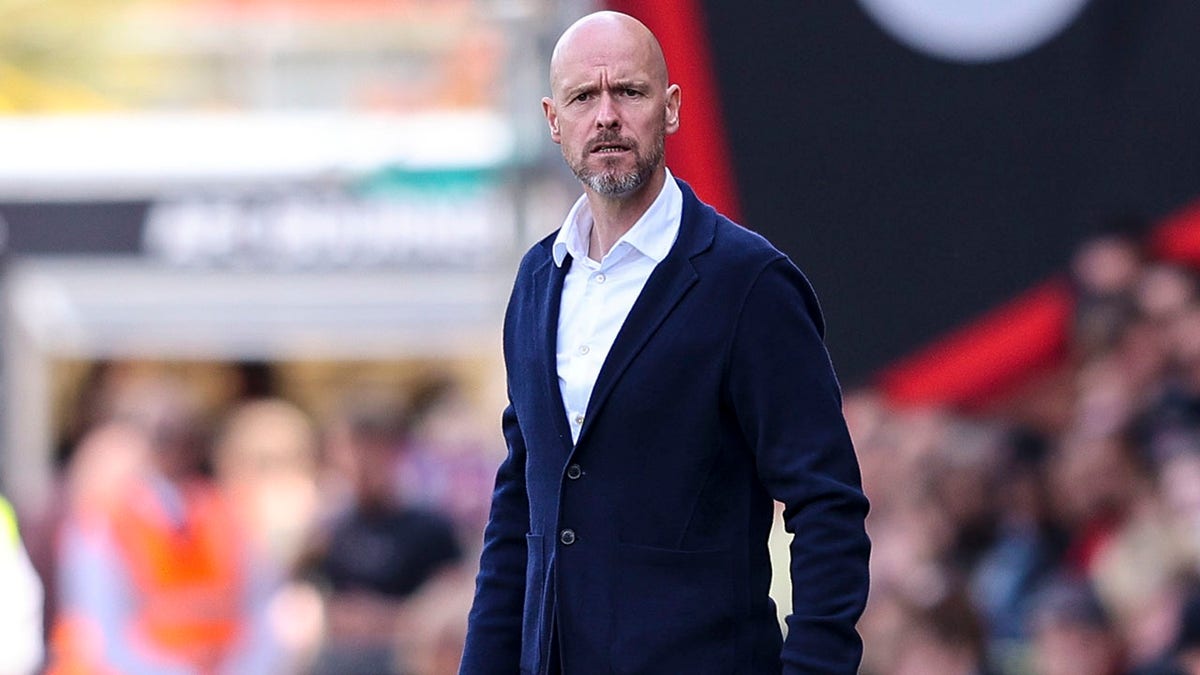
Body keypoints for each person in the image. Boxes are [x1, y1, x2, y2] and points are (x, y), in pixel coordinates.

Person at [460, 11, 870, 675]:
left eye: (630, 91)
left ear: (672, 108)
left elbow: (827, 502)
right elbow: (518, 510)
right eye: (583, 97)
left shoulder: (748, 282)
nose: (607, 116)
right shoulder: (538, 279)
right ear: (552, 119)